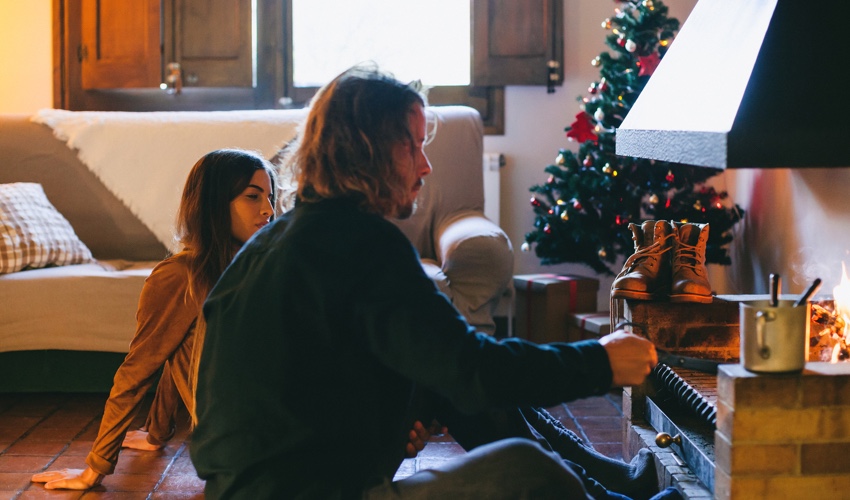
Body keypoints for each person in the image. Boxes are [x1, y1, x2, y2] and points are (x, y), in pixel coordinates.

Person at [190, 65, 666, 499]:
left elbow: (306, 390)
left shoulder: (274, 244)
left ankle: (612, 487)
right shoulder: (360, 243)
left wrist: (386, 423)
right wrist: (601, 362)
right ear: (368, 149)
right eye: (412, 146)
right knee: (526, 471)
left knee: (444, 373)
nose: (426, 165)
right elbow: (477, 372)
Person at [31, 148, 278, 491]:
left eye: (270, 196)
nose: (269, 209)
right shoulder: (181, 277)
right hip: (254, 443)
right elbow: (140, 369)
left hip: (278, 432)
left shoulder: (256, 267)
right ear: (213, 204)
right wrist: (95, 468)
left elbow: (182, 350)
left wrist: (156, 435)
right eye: (253, 197)